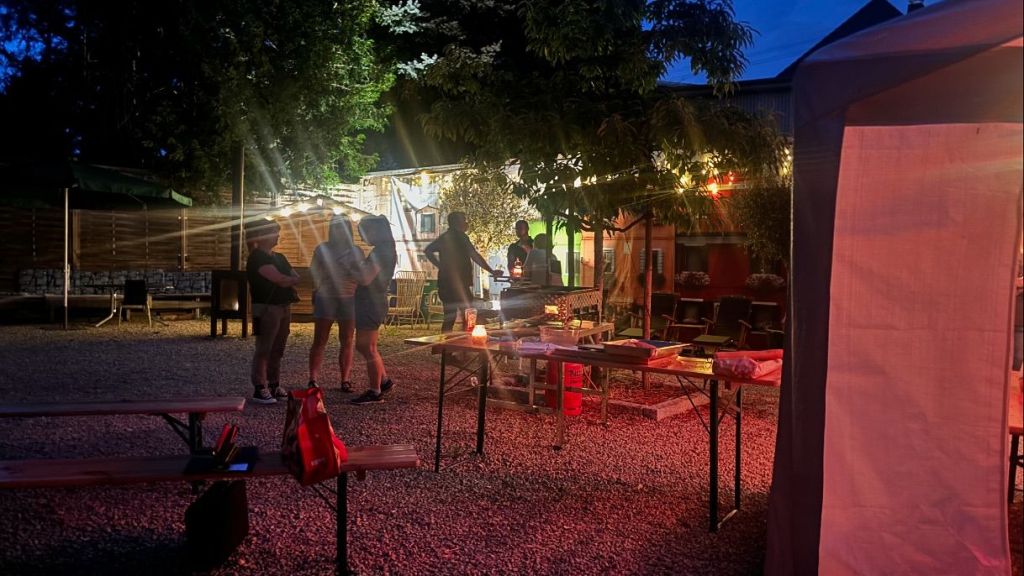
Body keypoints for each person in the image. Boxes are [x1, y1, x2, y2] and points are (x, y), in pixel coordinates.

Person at [308, 214, 369, 394]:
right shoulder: (322, 249)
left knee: (347, 339)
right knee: (320, 339)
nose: (338, 232)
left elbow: (362, 273)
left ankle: (345, 379)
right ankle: (313, 378)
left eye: (341, 228)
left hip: (349, 296)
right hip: (327, 296)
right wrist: (318, 286)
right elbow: (314, 271)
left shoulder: (356, 251)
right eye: (336, 228)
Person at [245, 219, 301, 404]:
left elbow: (294, 277)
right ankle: (259, 387)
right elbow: (282, 279)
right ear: (261, 236)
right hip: (266, 307)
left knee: (278, 348)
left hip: (283, 305)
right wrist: (287, 279)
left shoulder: (280, 257)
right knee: (264, 348)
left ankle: (274, 383)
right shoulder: (257, 258)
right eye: (273, 232)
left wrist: (287, 279)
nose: (277, 235)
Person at [350, 215, 399, 405]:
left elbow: (365, 278)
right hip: (372, 300)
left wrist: (349, 269)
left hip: (371, 301)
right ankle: (383, 380)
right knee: (366, 346)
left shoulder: (382, 251)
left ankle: (375, 391)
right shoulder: (384, 249)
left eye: (363, 232)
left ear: (376, 231)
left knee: (367, 347)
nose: (362, 237)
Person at [424, 211, 500, 333]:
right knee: (468, 315)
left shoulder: (445, 237)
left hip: (445, 283)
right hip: (460, 284)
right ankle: (466, 341)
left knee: (449, 317)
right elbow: (474, 255)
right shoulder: (461, 237)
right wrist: (491, 271)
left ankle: (445, 343)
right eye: (464, 220)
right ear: (457, 223)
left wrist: (440, 266)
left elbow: (428, 250)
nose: (466, 223)